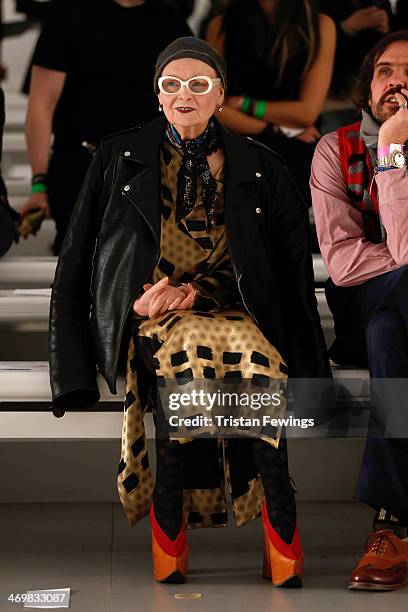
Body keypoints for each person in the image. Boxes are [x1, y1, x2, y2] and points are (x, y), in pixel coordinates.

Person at [49, 37, 331, 586]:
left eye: (198, 84)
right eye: (172, 84)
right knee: (185, 363)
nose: (185, 94)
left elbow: (291, 273)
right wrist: (78, 362)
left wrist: (310, 367)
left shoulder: (262, 166)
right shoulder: (116, 156)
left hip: (235, 310)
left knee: (259, 366)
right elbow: (76, 262)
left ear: (220, 93)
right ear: (157, 95)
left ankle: (282, 536)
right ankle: (170, 531)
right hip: (150, 316)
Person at [311, 30, 408, 591]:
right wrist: (393, 151)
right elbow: (344, 266)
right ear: (367, 87)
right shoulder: (335, 149)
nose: (397, 81)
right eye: (385, 71)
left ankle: (391, 524)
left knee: (389, 334)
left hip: (387, 321)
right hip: (355, 305)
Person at [21, 0, 191, 255]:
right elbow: (41, 106)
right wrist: (39, 183)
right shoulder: (68, 16)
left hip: (150, 170)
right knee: (81, 260)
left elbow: (188, 108)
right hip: (81, 164)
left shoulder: (169, 20)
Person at [205, 0, 336, 208]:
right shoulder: (222, 25)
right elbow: (212, 107)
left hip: (295, 142)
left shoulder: (318, 25)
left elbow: (306, 113)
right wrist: (275, 128)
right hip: (238, 137)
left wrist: (244, 104)